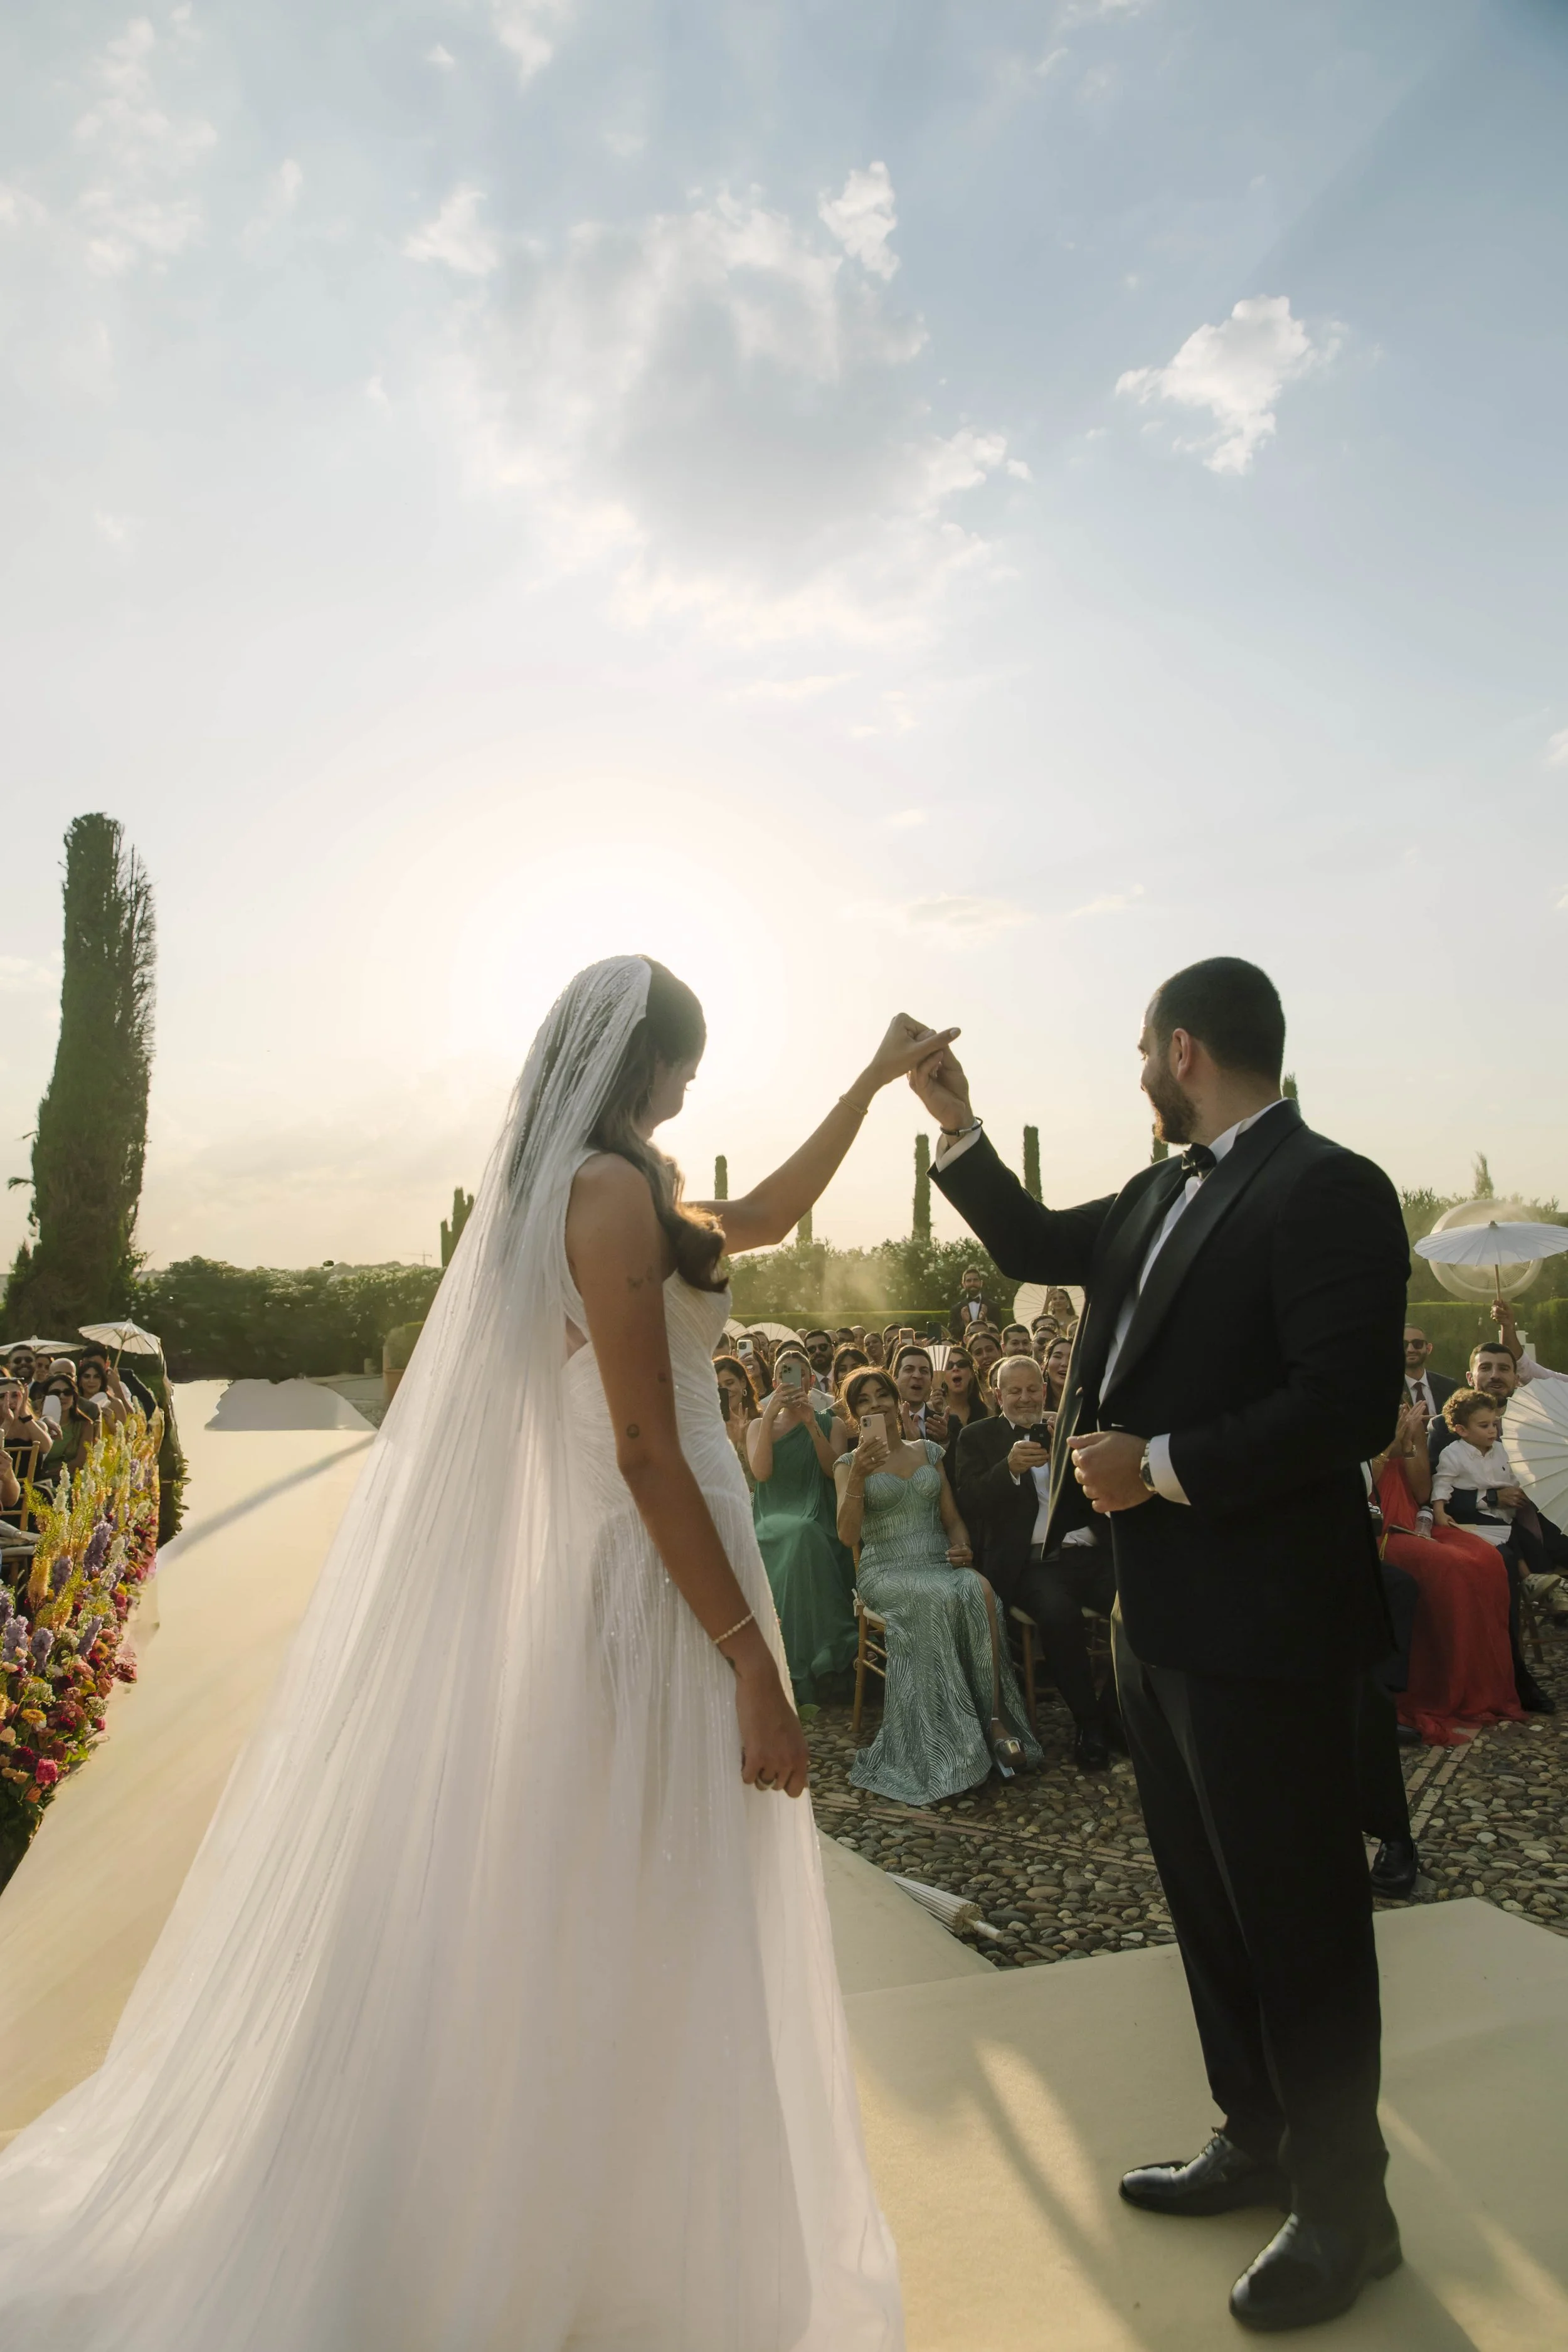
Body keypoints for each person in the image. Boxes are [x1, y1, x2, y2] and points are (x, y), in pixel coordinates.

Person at [0, 958, 940, 2346]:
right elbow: (638, 1446)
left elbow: (765, 1213)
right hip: (660, 1600)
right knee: (654, 1894)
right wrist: (746, 1656)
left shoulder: (620, 1184)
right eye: (682, 1063)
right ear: (636, 1062)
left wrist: (868, 1086)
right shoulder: (607, 1196)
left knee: (633, 1903)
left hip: (679, 1585)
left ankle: (609, 2227)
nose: (691, 1085)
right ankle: (577, 2247)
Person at [916, 955, 1410, 2333]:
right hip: (1160, 1618)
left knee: (1300, 1916)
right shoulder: (1152, 1190)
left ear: (1182, 1049)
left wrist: (1165, 1464)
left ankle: (1346, 2209)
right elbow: (1028, 1246)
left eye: (1141, 1047)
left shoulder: (1329, 1189)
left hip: (1269, 1624)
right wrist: (953, 1120)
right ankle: (1255, 2139)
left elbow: (1347, 1406)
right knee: (1205, 1897)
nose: (1135, 1069)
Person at [834, 1366, 1040, 1804]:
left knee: (979, 1588)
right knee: (933, 1598)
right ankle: (944, 1746)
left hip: (936, 1560)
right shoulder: (848, 1465)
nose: (876, 1406)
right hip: (886, 1569)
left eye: (882, 1396)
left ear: (896, 1400)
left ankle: (995, 1721)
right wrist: (857, 1479)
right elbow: (849, 1536)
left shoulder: (928, 1451)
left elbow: (953, 1521)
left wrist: (962, 1549)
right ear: (855, 1415)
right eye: (865, 1402)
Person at [955, 1351, 1118, 1767]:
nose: (1025, 1398)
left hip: (1089, 1551)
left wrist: (1075, 1456)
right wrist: (1007, 1469)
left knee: (1140, 1604)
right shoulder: (977, 1436)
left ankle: (1114, 1713)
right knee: (1060, 1617)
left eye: (1032, 1389)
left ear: (1045, 1390)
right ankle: (1090, 1725)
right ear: (997, 1395)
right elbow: (968, 1502)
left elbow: (1103, 1493)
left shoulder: (1069, 1429)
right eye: (1015, 1391)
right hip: (1032, 1563)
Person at [1372, 1401, 1521, 1747]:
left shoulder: (1406, 1418)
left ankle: (1476, 1686)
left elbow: (1423, 1493)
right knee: (1450, 1567)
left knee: (1483, 1558)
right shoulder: (1351, 1427)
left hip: (1412, 1519)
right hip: (1379, 1527)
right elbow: (1357, 1489)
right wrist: (1386, 1448)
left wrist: (1410, 1444)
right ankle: (1440, 1687)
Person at [748, 1345, 859, 1704]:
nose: (789, 1381)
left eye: (797, 1374)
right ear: (775, 1381)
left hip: (818, 1513)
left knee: (807, 1534)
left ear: (811, 1381)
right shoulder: (756, 1425)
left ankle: (824, 1659)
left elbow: (833, 1471)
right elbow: (762, 1472)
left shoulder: (833, 1423)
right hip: (773, 1514)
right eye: (783, 1374)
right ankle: (805, 1659)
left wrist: (812, 1424)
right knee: (799, 1535)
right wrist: (769, 1419)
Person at [890, 1343, 950, 1445]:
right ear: (895, 1378)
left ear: (931, 1381)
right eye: (909, 1370)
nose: (917, 1376)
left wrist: (943, 1441)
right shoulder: (886, 1424)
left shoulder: (946, 1424)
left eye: (924, 1371)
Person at [1401, 1324, 1456, 1422]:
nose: (1410, 1349)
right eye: (1403, 1344)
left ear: (1429, 1349)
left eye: (1417, 1344)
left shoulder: (1450, 1387)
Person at [948, 1266, 1000, 1341]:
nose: (972, 1283)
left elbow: (998, 1332)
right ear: (964, 1285)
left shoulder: (993, 1307)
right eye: (969, 1281)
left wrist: (985, 1320)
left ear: (981, 1283)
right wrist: (965, 1323)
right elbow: (952, 1335)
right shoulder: (956, 1309)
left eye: (975, 1280)